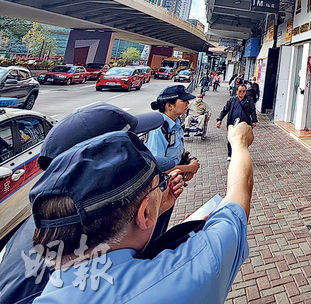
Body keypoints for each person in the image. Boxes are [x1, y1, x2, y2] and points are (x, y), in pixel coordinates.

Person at [28, 122, 254, 303]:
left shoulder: (45, 287)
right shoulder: (184, 274)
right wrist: (238, 143)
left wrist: (156, 209)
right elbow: (238, 196)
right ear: (143, 214)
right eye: (160, 183)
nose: (164, 186)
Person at [0, 104, 181, 304]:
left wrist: (157, 209)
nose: (140, 147)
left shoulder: (54, 221)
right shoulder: (68, 271)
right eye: (128, 143)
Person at [145, 84, 200, 236]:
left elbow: (178, 152)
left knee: (162, 227)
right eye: (183, 101)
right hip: (158, 189)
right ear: (169, 106)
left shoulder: (175, 124)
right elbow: (158, 166)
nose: (187, 104)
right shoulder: (159, 129)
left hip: (171, 186)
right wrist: (189, 168)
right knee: (154, 231)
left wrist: (190, 161)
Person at [216, 84, 257, 160]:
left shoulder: (249, 100)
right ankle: (230, 154)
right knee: (231, 138)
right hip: (232, 123)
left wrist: (254, 121)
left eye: (244, 91)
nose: (242, 93)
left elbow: (252, 111)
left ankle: (240, 155)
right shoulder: (232, 100)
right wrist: (219, 119)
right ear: (236, 91)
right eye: (240, 91)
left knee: (242, 140)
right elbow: (225, 110)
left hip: (244, 123)